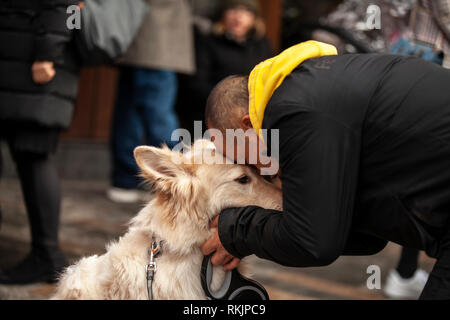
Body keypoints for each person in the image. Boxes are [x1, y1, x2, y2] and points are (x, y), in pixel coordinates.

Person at [201, 41, 450, 299]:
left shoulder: (294, 110)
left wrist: (237, 232)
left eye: (235, 154)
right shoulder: (313, 85)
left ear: (247, 126)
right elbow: (364, 236)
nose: (251, 167)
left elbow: (314, 242)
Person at [0, 0, 81, 284]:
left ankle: (47, 255)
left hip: (37, 69)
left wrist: (47, 54)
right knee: (27, 157)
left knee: (33, 155)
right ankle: (46, 255)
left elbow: (67, 6)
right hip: (18, 66)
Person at [107, 0, 195, 203]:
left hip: (135, 32)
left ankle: (125, 179)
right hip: (157, 35)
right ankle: (180, 179)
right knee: (157, 114)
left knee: (130, 111)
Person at [176, 0, 272, 136]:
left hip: (252, 119)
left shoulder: (262, 45)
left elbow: (268, 80)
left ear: (254, 18)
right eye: (233, 9)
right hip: (211, 119)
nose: (238, 16)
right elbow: (196, 86)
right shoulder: (208, 43)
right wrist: (229, 106)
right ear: (222, 15)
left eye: (246, 11)